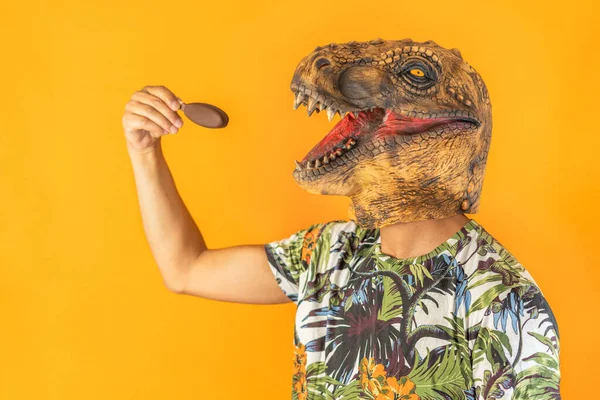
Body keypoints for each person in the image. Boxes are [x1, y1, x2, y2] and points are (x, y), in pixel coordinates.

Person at [123, 40, 560, 400]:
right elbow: (185, 268)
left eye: (417, 75)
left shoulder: (505, 303)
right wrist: (144, 151)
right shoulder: (329, 253)